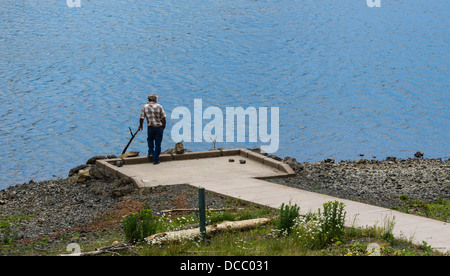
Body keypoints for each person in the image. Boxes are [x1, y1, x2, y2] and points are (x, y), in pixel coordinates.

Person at [138, 94, 166, 164]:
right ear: (154, 99)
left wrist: (141, 125)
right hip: (158, 127)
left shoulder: (144, 107)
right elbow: (163, 118)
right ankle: (155, 160)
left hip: (150, 127)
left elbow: (141, 118)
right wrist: (163, 126)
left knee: (150, 139)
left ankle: (150, 152)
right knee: (158, 144)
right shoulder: (159, 106)